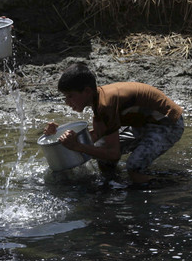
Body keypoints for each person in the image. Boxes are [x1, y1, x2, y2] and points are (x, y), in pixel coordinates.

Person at [44, 62, 184, 184]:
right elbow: (95, 137)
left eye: (70, 96)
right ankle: (113, 184)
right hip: (143, 124)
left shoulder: (105, 105)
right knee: (102, 154)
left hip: (168, 123)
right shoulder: (99, 101)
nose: (67, 102)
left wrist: (77, 146)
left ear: (86, 91)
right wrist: (58, 136)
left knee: (134, 167)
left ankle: (167, 187)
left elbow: (113, 153)